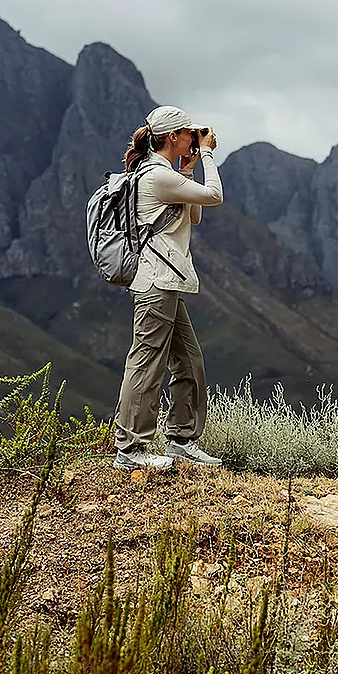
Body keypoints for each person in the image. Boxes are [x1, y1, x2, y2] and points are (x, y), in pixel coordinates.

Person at [113, 105, 224, 472]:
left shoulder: (167, 176)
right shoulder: (156, 176)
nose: (195, 138)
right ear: (173, 137)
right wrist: (207, 154)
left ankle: (180, 440)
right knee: (147, 362)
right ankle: (130, 449)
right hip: (155, 283)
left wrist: (188, 168)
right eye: (189, 133)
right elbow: (213, 196)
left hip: (166, 281)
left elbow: (194, 215)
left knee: (189, 360)